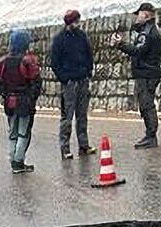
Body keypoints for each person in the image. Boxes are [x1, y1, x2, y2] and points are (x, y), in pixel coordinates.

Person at [110, 2, 161, 148]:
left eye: (138, 14)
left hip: (147, 75)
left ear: (145, 15)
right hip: (147, 73)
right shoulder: (148, 30)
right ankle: (150, 135)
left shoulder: (147, 33)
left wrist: (120, 44)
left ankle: (151, 137)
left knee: (147, 106)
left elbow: (138, 50)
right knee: (146, 105)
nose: (135, 17)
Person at [0, 29, 43, 173]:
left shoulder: (3, 62)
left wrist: (5, 94)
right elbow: (36, 82)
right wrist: (31, 97)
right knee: (23, 133)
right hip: (24, 102)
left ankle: (13, 160)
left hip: (9, 101)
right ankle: (18, 162)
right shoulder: (28, 61)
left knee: (12, 133)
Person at [50, 10, 95, 159]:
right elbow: (54, 63)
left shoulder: (82, 36)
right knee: (67, 117)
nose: (78, 24)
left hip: (82, 80)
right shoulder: (59, 39)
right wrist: (64, 79)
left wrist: (88, 72)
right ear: (69, 23)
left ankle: (84, 145)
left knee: (82, 115)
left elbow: (89, 55)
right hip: (69, 83)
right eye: (76, 22)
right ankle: (65, 148)